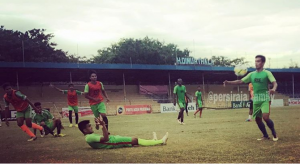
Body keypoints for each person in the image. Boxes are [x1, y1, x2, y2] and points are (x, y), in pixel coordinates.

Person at [223, 55, 278, 141]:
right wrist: (228, 82)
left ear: (263, 63)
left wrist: (273, 89)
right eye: (255, 61)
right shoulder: (252, 74)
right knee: (257, 119)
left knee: (266, 118)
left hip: (265, 99)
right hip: (256, 99)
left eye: (258, 61)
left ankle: (274, 132)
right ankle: (265, 135)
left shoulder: (267, 73)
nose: (256, 63)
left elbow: (275, 83)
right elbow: (240, 81)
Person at [78, 117, 168, 149]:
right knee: (135, 140)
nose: (91, 126)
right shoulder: (89, 138)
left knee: (134, 141)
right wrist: (103, 125)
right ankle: (160, 142)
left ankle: (153, 141)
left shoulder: (90, 136)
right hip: (113, 142)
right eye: (89, 126)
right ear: (85, 130)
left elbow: (105, 138)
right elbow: (106, 138)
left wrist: (103, 126)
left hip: (113, 140)